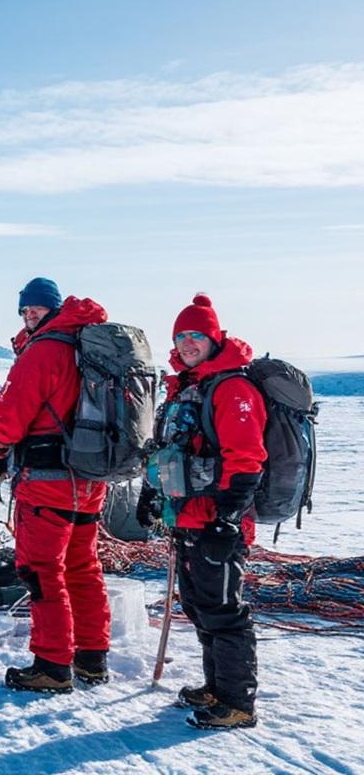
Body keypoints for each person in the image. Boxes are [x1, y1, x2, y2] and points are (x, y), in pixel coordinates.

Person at [0, 277, 112, 693]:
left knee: (41, 571)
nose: (29, 314)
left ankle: (52, 664)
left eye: (35, 308)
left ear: (53, 309)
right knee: (82, 568)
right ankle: (92, 656)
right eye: (24, 310)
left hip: (48, 480)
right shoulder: (82, 347)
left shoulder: (44, 350)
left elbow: (10, 417)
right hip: (87, 479)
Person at [137, 295, 265, 730]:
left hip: (217, 520)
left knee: (224, 609)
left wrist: (227, 517)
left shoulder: (232, 388)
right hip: (186, 516)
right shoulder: (187, 387)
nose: (188, 342)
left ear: (214, 338)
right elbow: (170, 452)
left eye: (196, 335)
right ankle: (216, 686)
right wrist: (152, 493)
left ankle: (237, 702)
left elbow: (247, 459)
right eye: (181, 336)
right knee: (198, 604)